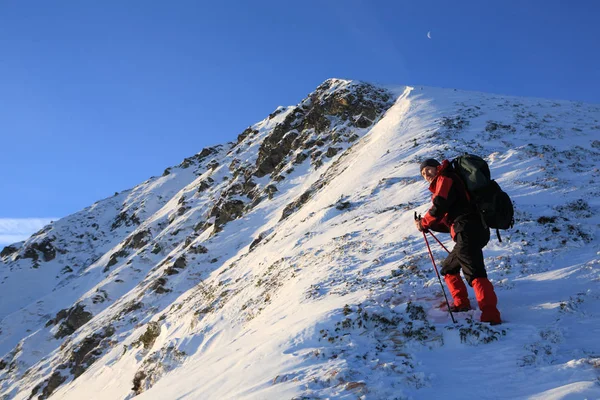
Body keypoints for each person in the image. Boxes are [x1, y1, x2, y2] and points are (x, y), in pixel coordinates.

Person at [415, 158, 502, 325]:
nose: (426, 175)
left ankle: (491, 315)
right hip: (473, 230)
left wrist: (424, 222)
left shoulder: (445, 178)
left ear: (437, 167)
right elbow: (450, 220)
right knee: (449, 268)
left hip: (468, 231)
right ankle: (461, 303)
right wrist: (428, 225)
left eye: (428, 170)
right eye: (423, 174)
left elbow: (439, 205)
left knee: (475, 272)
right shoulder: (451, 180)